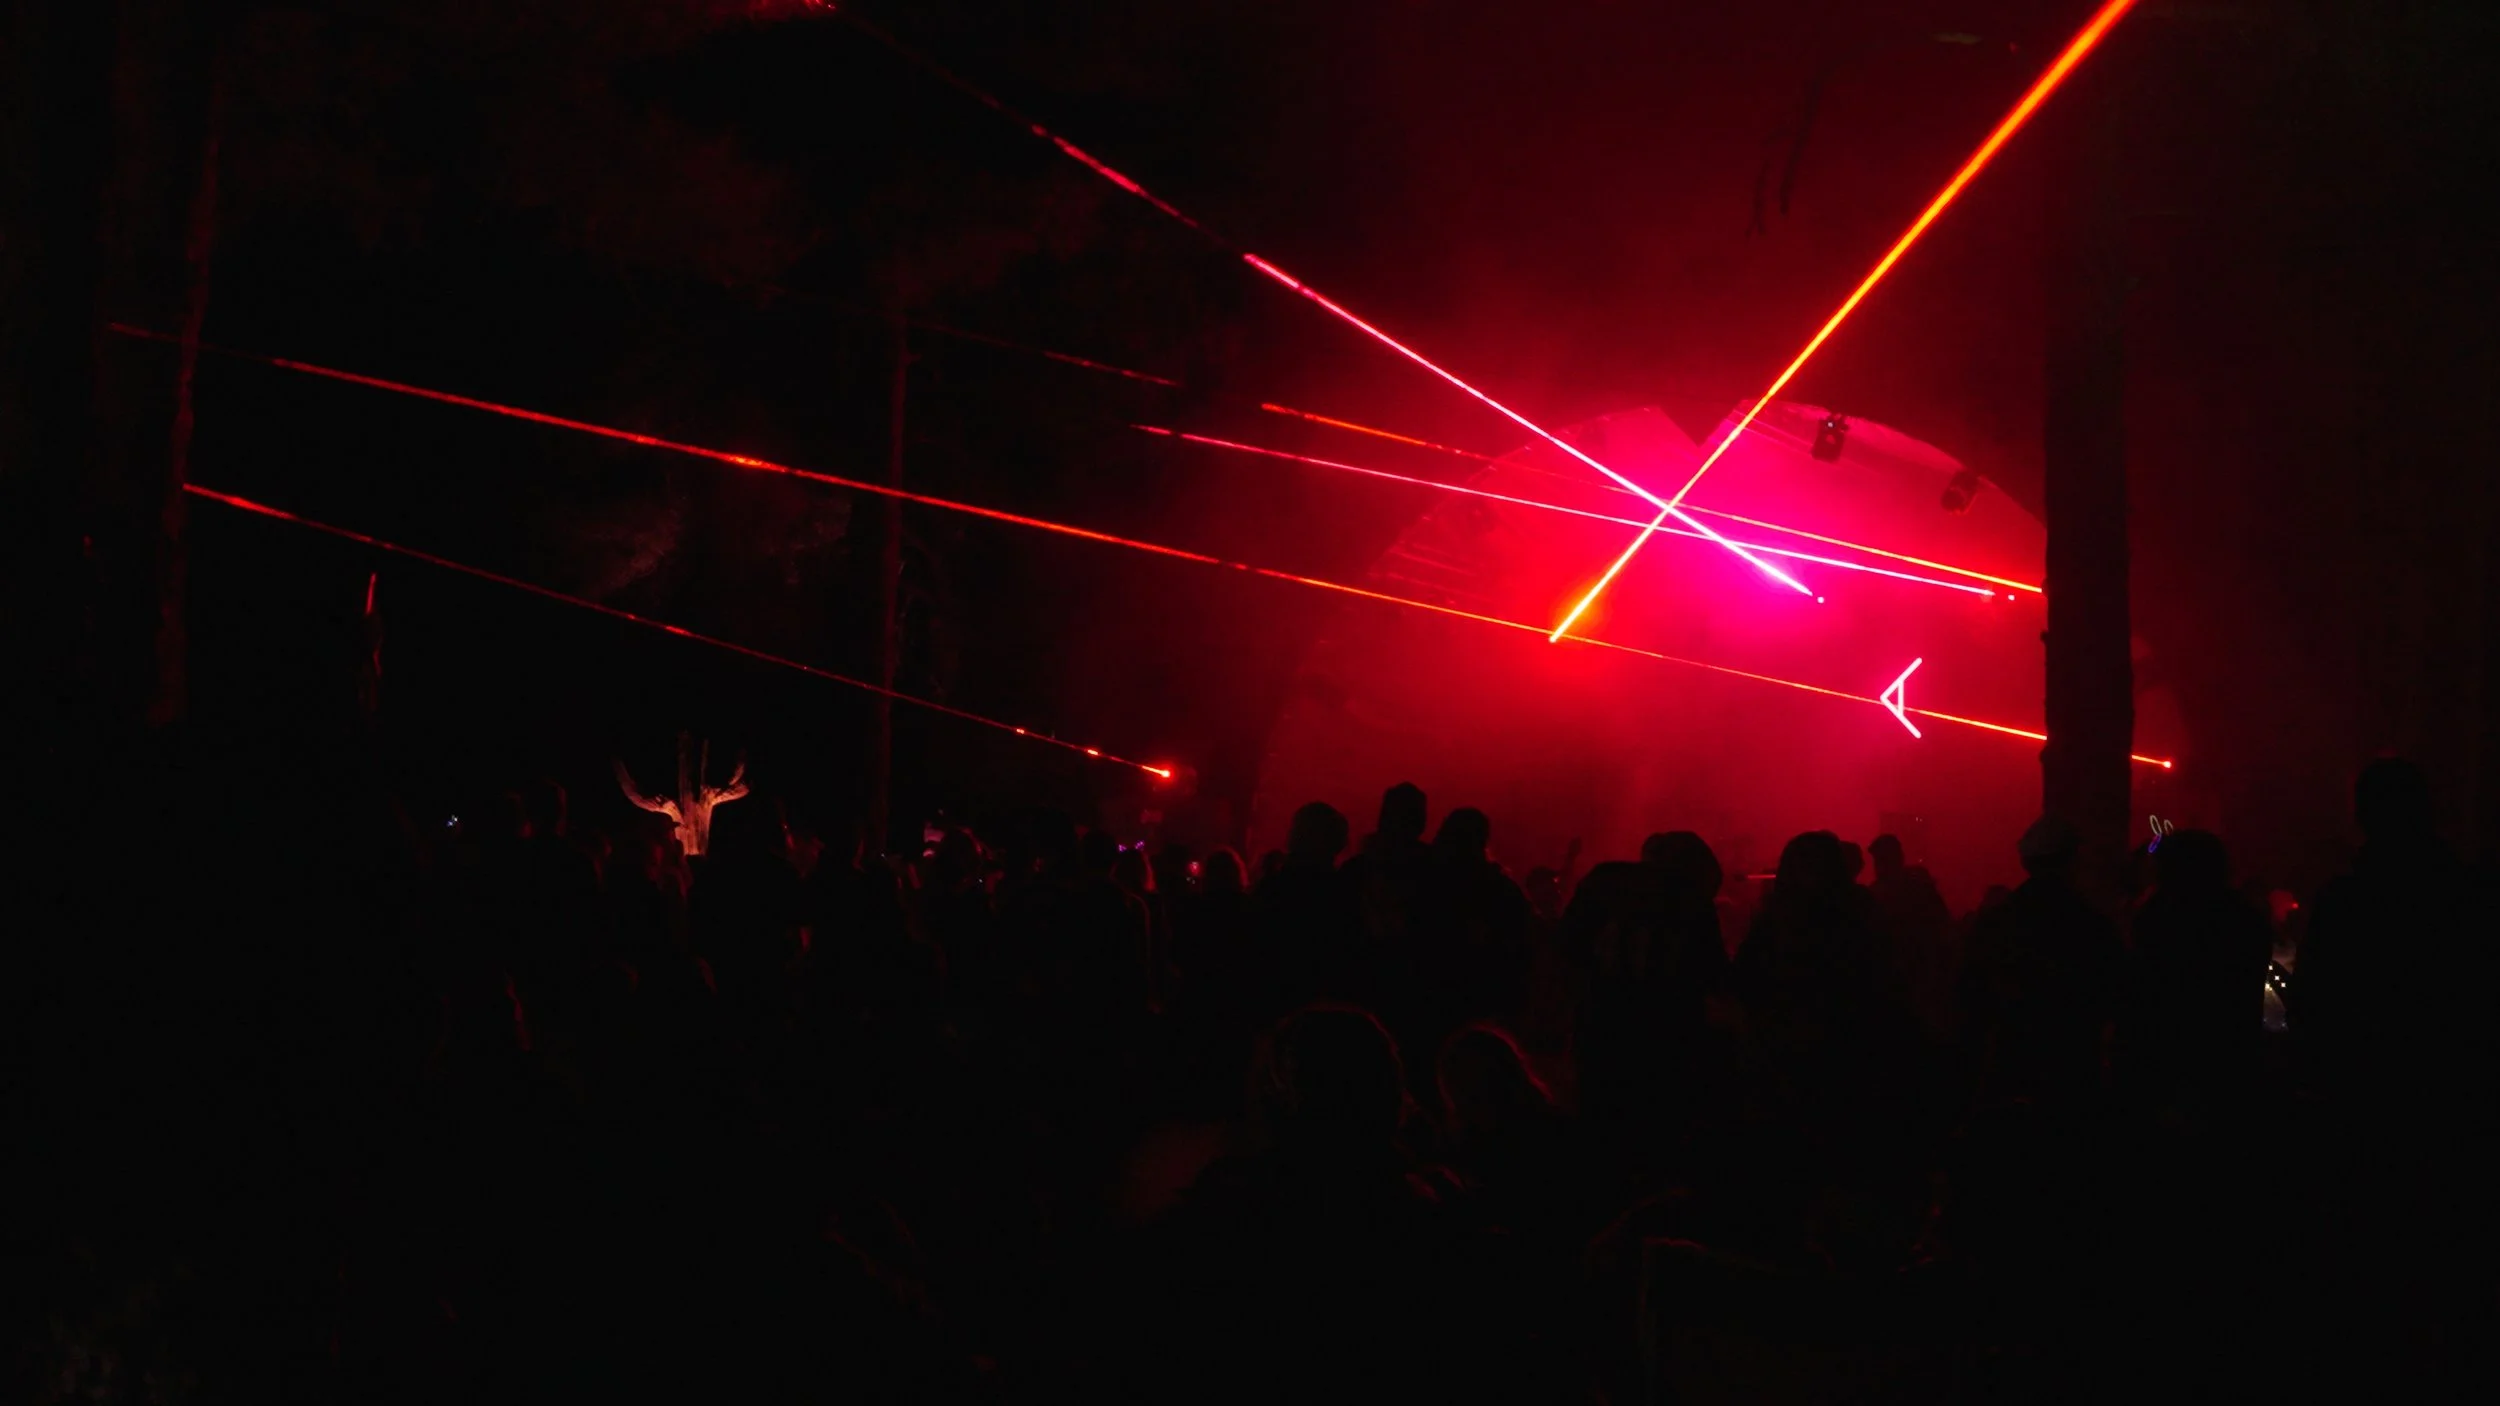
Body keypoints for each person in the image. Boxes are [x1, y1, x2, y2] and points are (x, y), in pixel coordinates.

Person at [1956, 815, 2124, 1108]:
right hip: (2073, 1071)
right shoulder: (2091, 925)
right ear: (2072, 859)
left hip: (2011, 1067)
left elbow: (1971, 995)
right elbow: (2116, 995)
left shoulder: (1998, 921)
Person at [2120, 828, 2270, 1111]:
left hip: (2166, 1062)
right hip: (2231, 1059)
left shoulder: (2159, 919)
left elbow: (2144, 992)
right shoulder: (2245, 918)